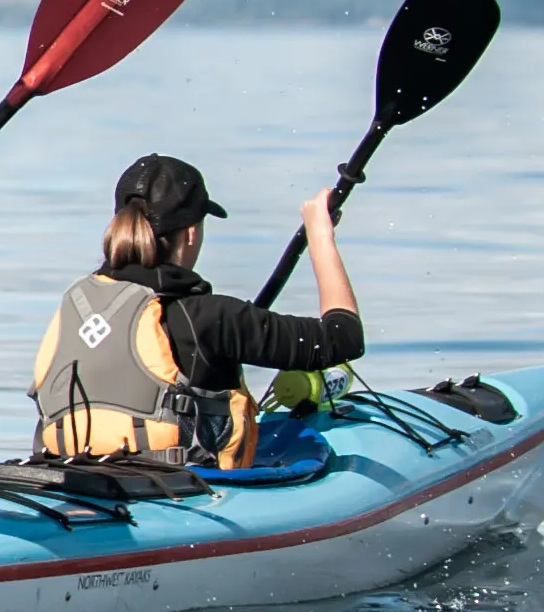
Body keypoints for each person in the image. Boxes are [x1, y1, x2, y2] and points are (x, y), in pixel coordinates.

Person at [29, 153, 358, 467]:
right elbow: (342, 338)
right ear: (190, 234)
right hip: (179, 489)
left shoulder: (75, 305)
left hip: (71, 474)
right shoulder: (209, 317)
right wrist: (320, 235)